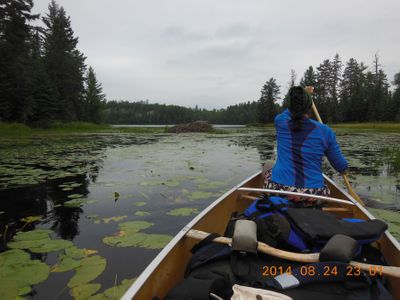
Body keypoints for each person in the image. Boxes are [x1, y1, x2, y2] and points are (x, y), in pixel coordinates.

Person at [264, 86, 348, 205]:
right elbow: (341, 166)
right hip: (313, 195)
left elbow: (289, 111)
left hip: (279, 190)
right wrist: (344, 169)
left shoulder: (280, 121)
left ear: (290, 105)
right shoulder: (325, 131)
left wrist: (304, 94)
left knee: (268, 165)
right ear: (309, 107)